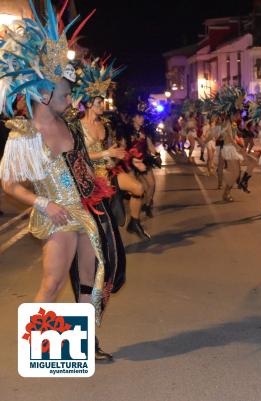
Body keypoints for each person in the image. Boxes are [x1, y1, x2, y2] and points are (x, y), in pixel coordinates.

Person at [0, 3, 124, 360]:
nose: (71, 99)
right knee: (52, 283)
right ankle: (38, 351)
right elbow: (9, 186)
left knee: (90, 281)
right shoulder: (24, 134)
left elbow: (83, 166)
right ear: (43, 94)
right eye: (66, 93)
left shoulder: (71, 125)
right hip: (56, 217)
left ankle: (85, 345)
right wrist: (44, 204)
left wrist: (99, 187)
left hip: (85, 212)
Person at [74, 59, 150, 240]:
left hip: (108, 171)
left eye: (102, 102)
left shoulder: (106, 124)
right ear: (89, 103)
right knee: (101, 219)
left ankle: (135, 222)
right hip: (88, 175)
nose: (103, 106)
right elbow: (77, 156)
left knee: (138, 187)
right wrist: (105, 154)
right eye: (99, 103)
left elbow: (115, 150)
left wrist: (131, 159)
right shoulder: (77, 126)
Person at [122, 107, 160, 218]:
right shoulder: (127, 132)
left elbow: (150, 146)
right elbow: (124, 147)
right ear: (134, 119)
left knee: (152, 184)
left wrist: (157, 155)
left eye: (142, 116)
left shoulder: (145, 131)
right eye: (140, 116)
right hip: (131, 162)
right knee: (135, 189)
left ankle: (147, 205)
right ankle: (134, 215)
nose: (142, 118)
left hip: (144, 160)